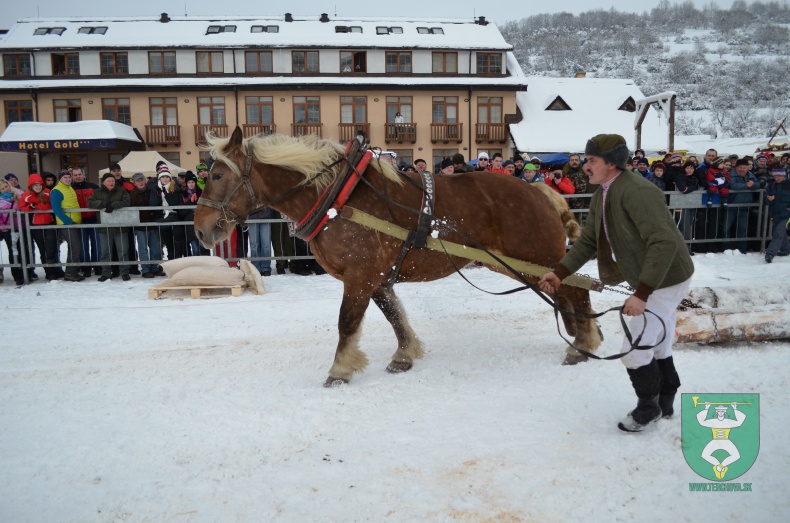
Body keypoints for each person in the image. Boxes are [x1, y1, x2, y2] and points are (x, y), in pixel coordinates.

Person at [538, 134, 694, 433]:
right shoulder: (604, 192)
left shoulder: (638, 192)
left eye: (592, 160)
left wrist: (643, 294)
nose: (586, 166)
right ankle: (666, 397)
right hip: (655, 278)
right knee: (657, 341)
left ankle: (648, 407)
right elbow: (588, 242)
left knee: (635, 350)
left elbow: (663, 243)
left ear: (611, 163)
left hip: (665, 279)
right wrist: (560, 272)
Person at [88, 173, 132, 281]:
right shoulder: (97, 192)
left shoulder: (122, 191)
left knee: (123, 251)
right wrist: (104, 204)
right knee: (105, 252)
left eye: (112, 181)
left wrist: (114, 205)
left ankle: (124, 272)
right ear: (103, 182)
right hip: (105, 227)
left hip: (120, 226)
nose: (111, 183)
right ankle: (106, 273)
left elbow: (127, 202)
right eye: (108, 181)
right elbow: (90, 203)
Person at [20, 173, 62, 281]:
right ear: (31, 186)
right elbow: (22, 207)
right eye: (35, 185)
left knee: (51, 249)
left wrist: (36, 205)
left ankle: (53, 271)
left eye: (39, 185)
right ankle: (49, 272)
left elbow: (50, 205)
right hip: (36, 226)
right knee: (42, 249)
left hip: (49, 223)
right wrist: (30, 206)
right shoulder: (27, 195)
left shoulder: (48, 192)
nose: (38, 187)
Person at [50, 170, 85, 282]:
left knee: (73, 248)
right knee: (76, 247)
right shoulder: (56, 191)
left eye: (69, 177)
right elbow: (56, 209)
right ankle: (70, 272)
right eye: (65, 177)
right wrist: (68, 221)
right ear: (60, 179)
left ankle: (71, 272)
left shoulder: (70, 188)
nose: (68, 179)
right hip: (67, 224)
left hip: (75, 222)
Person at [721, 159, 759, 253]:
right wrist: (747, 185)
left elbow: (758, 184)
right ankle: (726, 248)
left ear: (747, 168)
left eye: (744, 167)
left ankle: (742, 248)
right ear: (736, 168)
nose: (742, 169)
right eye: (740, 167)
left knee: (742, 228)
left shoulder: (750, 175)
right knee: (726, 228)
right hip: (731, 205)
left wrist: (753, 184)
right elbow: (733, 185)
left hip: (745, 206)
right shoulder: (730, 174)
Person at [129, 172, 163, 278]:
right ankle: (145, 269)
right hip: (140, 225)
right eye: (138, 180)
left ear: (145, 180)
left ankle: (155, 267)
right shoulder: (132, 194)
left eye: (142, 180)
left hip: (153, 223)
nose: (140, 182)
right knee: (143, 249)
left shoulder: (152, 190)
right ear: (134, 183)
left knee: (155, 248)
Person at [71, 167, 101, 277]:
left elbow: (100, 200)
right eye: (75, 175)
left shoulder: (93, 187)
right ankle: (85, 267)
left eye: (79, 174)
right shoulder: (71, 188)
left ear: (84, 175)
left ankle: (98, 266)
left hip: (94, 219)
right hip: (80, 221)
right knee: (83, 246)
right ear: (72, 177)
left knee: (96, 244)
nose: (78, 177)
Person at [150, 166, 183, 260]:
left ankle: (178, 259)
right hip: (162, 218)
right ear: (159, 178)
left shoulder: (176, 188)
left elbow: (176, 204)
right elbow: (153, 205)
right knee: (168, 242)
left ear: (170, 178)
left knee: (178, 241)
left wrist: (167, 194)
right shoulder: (155, 189)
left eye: (167, 177)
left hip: (175, 217)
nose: (165, 179)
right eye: (163, 177)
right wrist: (158, 195)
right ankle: (171, 259)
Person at [0, 178, 26, 285]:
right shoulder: (1, 201)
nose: (6, 189)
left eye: (6, 186)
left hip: (19, 227)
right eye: (3, 188)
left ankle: (24, 273)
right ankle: (17, 276)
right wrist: (3, 226)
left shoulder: (17, 196)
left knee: (20, 250)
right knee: (13, 251)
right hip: (7, 229)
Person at [764, 167, 790, 263]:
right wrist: (768, 199)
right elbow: (765, 199)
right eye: (775, 176)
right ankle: (785, 249)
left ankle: (770, 254)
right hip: (775, 214)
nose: (777, 178)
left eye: (779, 176)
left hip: (787, 214)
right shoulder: (771, 186)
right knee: (781, 234)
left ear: (784, 176)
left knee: (778, 233)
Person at [675, 160, 701, 253]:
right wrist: (695, 187)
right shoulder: (680, 176)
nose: (689, 170)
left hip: (692, 203)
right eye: (687, 167)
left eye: (691, 168)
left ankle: (687, 246)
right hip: (681, 204)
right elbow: (684, 189)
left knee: (689, 225)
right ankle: (683, 247)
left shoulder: (695, 177)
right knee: (683, 225)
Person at [248, 206, 276, 276]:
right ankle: (255, 267)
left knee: (266, 243)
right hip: (252, 216)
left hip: (266, 216)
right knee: (254, 244)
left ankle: (266, 268)